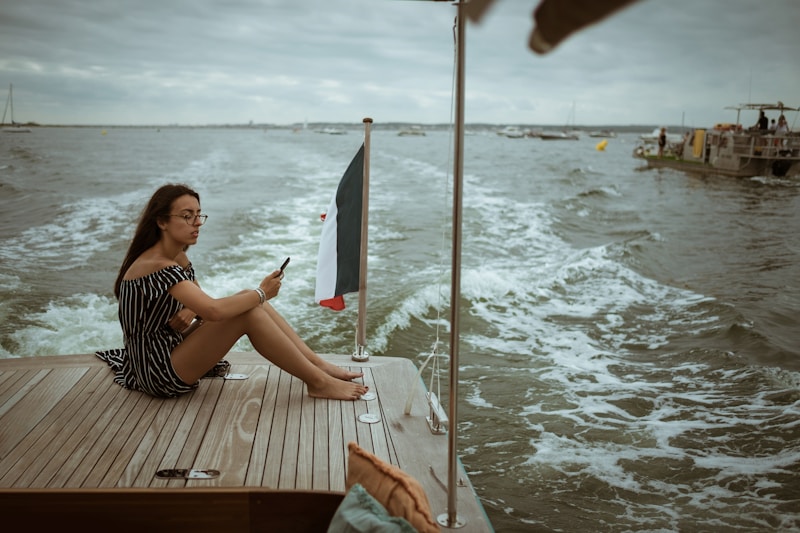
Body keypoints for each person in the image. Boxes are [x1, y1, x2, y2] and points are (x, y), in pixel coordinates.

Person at [96, 183, 368, 400]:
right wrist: (263, 292)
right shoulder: (156, 265)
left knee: (245, 296)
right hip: (157, 373)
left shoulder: (176, 257)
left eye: (198, 215)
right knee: (250, 310)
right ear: (161, 222)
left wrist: (192, 307)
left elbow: (198, 301)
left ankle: (317, 364)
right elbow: (212, 311)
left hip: (170, 349)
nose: (197, 222)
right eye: (186, 216)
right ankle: (318, 382)